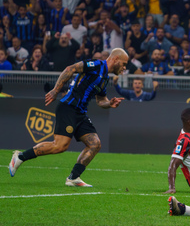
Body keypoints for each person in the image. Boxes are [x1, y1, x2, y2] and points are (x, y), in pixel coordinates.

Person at [9, 49, 129, 187]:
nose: (125, 67)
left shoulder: (105, 78)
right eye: (124, 63)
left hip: (80, 113)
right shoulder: (96, 65)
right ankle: (19, 157)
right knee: (59, 146)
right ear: (115, 59)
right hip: (68, 108)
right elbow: (70, 68)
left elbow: (100, 100)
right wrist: (55, 90)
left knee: (95, 144)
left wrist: (109, 103)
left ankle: (73, 177)